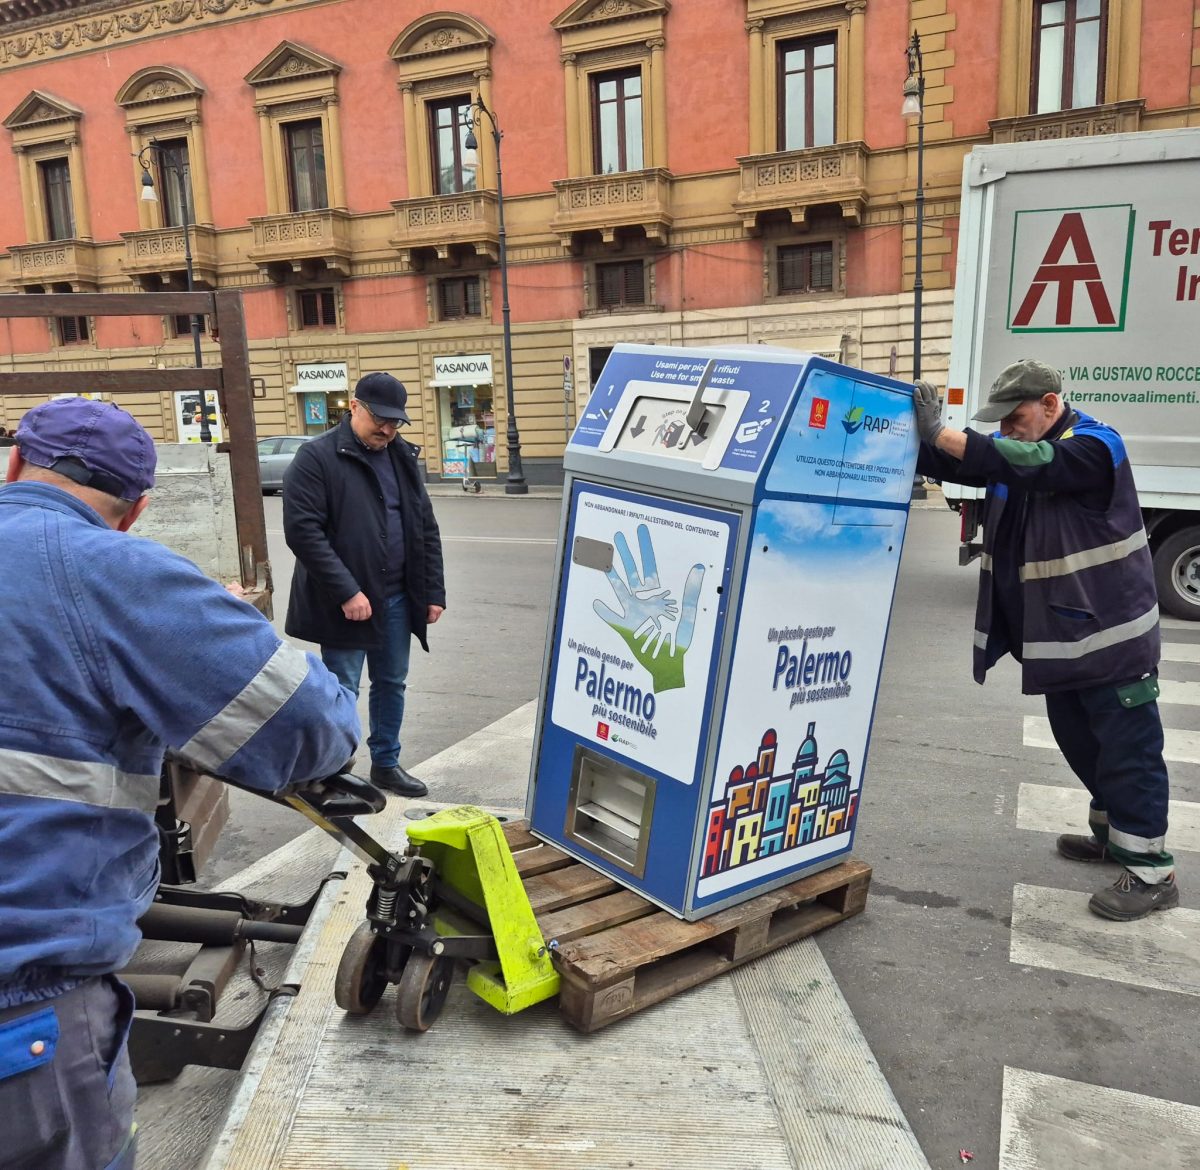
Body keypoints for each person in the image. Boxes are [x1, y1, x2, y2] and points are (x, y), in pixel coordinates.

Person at [0, 397, 361, 1169]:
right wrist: (209, 629)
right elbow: (311, 730)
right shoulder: (108, 571)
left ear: (15, 465)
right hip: (22, 1016)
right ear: (135, 511)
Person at [914, 359, 1176, 922]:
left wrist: (944, 432)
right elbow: (978, 463)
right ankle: (1112, 838)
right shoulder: (1024, 449)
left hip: (1111, 637)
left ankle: (1153, 872)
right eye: (1001, 423)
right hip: (1065, 634)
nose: (1007, 430)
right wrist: (911, 437)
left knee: (1128, 750)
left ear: (1052, 406)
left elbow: (1035, 463)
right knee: (1081, 740)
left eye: (1016, 418)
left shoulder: (1094, 446)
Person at [283, 372, 446, 798]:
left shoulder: (400, 457)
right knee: (342, 690)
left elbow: (424, 527)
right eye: (380, 419)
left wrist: (432, 591)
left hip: (397, 598)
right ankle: (334, 772)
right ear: (353, 406)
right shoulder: (316, 457)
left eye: (396, 422)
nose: (388, 430)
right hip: (347, 603)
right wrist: (347, 591)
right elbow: (303, 533)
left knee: (392, 682)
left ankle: (386, 764)